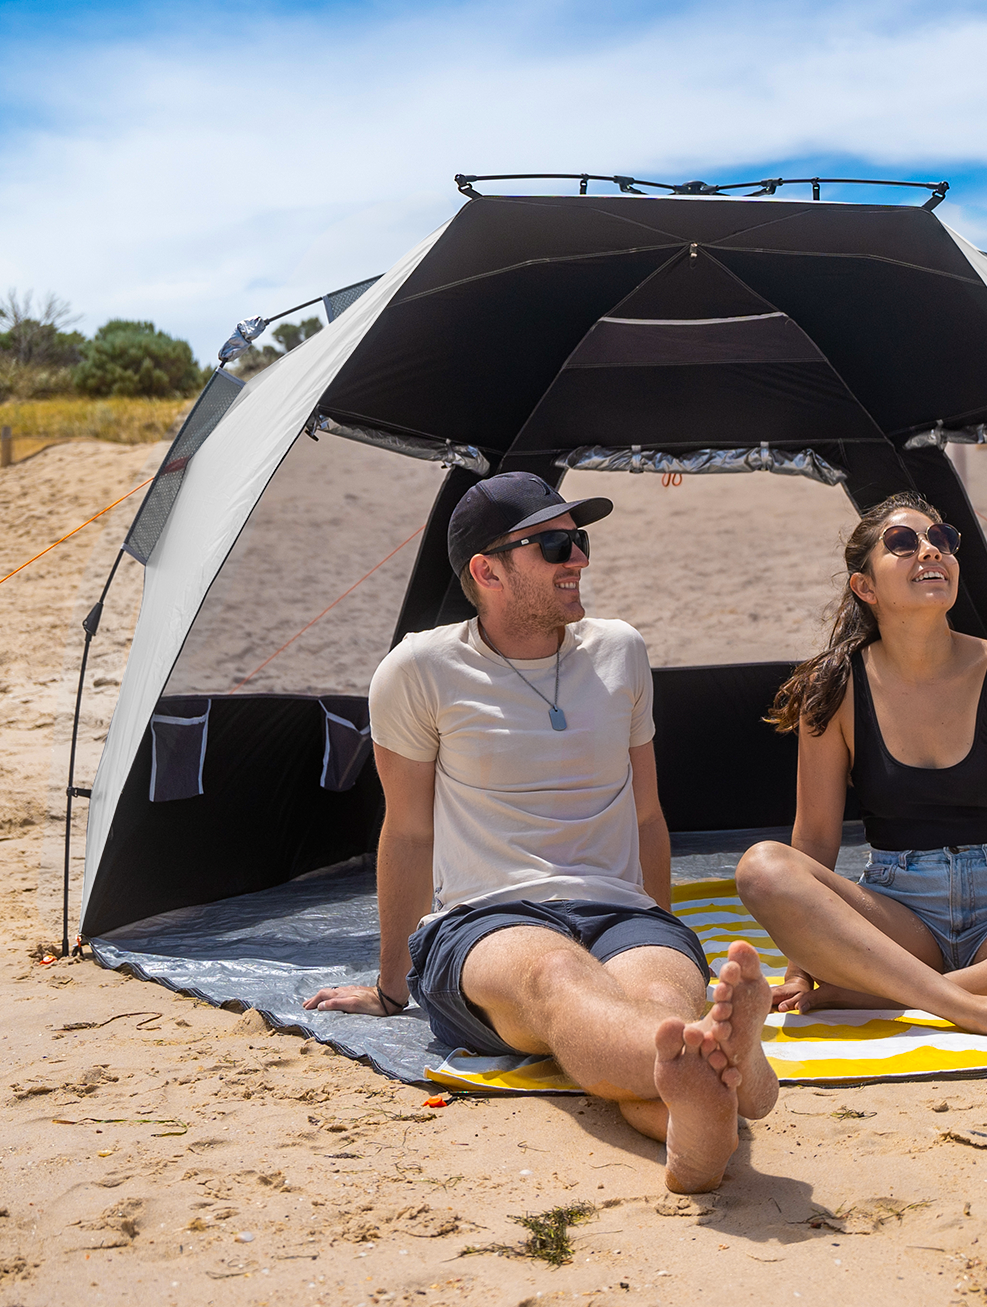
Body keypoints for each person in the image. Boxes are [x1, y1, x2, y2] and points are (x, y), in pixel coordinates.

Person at [305, 471, 777, 1193]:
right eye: (553, 545)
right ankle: (739, 1075)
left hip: (619, 908)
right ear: (487, 571)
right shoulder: (419, 669)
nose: (578, 559)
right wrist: (393, 987)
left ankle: (697, 1123)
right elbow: (406, 833)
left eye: (579, 540)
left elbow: (648, 814)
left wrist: (660, 927)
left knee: (656, 999)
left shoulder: (621, 650)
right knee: (558, 977)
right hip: (488, 919)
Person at [735, 493, 987, 1045]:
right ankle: (973, 1006)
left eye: (943, 540)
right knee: (763, 868)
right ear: (866, 587)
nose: (931, 550)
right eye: (903, 543)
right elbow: (813, 839)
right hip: (899, 911)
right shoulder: (832, 688)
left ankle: (885, 993)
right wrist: (801, 961)